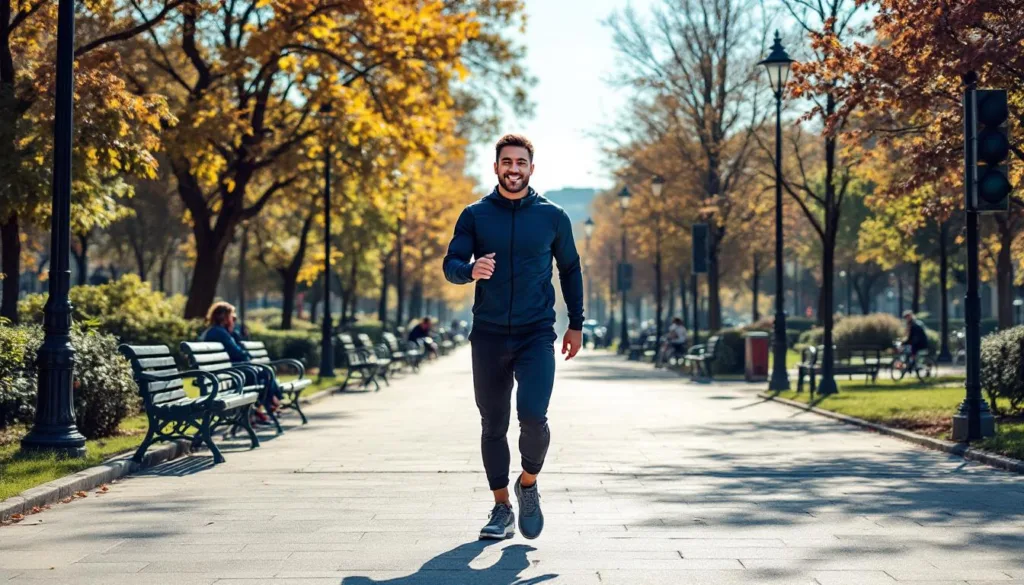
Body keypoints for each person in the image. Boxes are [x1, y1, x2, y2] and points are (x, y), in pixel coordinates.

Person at [443, 134, 584, 541]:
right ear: (496, 167)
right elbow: (451, 262)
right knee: (493, 424)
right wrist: (469, 270)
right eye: (507, 162)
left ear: (531, 169)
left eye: (521, 163)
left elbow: (571, 269)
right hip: (487, 334)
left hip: (536, 332)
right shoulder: (475, 215)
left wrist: (576, 323)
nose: (514, 169)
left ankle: (529, 482)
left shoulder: (553, 216)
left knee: (534, 418)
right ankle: (501, 507)